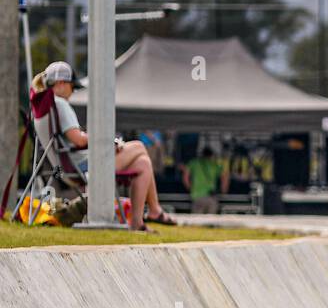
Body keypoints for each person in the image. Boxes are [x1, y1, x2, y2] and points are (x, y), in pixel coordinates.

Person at [34, 60, 176, 231]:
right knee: (138, 146)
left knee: (143, 164)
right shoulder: (60, 104)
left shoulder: (44, 106)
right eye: (73, 86)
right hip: (81, 166)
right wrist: (104, 138)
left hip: (68, 165)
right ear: (62, 83)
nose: (72, 92)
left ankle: (138, 223)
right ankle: (154, 211)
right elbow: (78, 139)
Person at [183, 147, 228, 214]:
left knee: (197, 221)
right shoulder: (214, 164)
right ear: (211, 155)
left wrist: (190, 188)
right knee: (211, 221)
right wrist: (223, 190)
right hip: (211, 196)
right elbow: (225, 176)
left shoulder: (194, 163)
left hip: (197, 196)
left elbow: (185, 176)